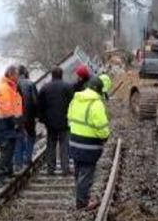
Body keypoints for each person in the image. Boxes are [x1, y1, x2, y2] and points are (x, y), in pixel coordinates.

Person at [68, 76, 111, 210]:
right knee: (86, 174)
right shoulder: (96, 103)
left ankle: (82, 196)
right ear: (98, 90)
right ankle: (82, 202)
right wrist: (105, 136)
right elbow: (102, 128)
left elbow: (69, 118)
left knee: (78, 171)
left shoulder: (75, 99)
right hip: (89, 145)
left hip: (74, 141)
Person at [37, 66, 74, 175]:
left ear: (51, 75)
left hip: (50, 123)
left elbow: (40, 106)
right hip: (64, 121)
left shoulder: (44, 88)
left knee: (51, 145)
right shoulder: (68, 87)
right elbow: (73, 104)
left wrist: (42, 119)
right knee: (64, 145)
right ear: (61, 74)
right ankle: (65, 168)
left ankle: (50, 169)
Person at [0, 65, 23, 185]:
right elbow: (7, 109)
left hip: (8, 122)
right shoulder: (5, 88)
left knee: (10, 149)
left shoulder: (10, 87)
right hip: (6, 123)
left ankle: (9, 172)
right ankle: (1, 177)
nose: (18, 77)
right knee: (6, 149)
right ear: (11, 75)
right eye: (17, 75)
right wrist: (15, 123)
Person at [14, 65, 38, 171]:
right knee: (31, 135)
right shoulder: (31, 83)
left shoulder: (13, 84)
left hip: (17, 116)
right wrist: (37, 116)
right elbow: (35, 102)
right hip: (29, 116)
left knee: (19, 138)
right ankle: (28, 158)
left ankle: (18, 163)